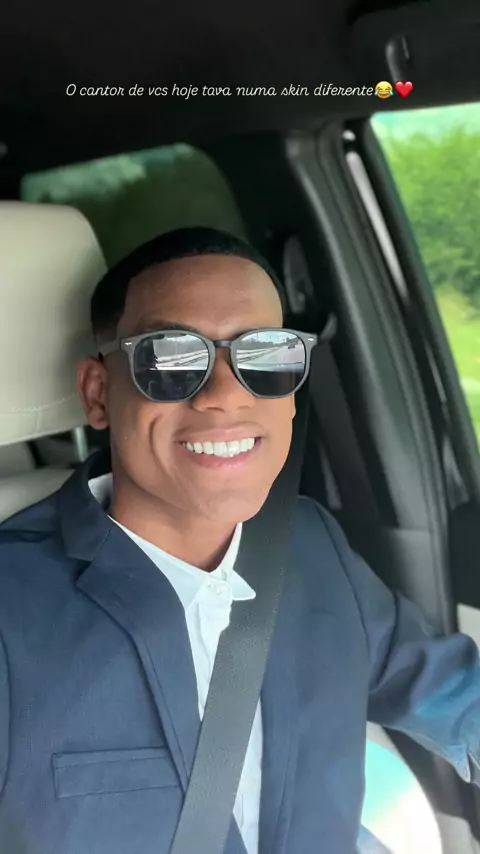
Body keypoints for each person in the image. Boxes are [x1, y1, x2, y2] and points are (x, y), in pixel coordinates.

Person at [0, 226, 480, 854]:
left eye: (266, 355)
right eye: (170, 358)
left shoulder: (309, 545)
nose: (226, 395)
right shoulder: (14, 609)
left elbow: (450, 695)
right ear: (98, 393)